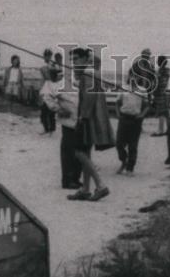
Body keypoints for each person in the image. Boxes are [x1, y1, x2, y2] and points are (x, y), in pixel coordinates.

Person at [66, 48, 112, 201]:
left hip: (88, 118)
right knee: (85, 152)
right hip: (91, 117)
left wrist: (82, 117)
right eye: (73, 59)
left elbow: (90, 97)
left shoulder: (89, 72)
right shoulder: (91, 71)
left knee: (78, 152)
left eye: (77, 58)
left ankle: (100, 185)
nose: (74, 62)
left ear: (86, 58)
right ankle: (85, 189)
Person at [115, 75, 148, 174]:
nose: (133, 78)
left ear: (139, 78)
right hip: (124, 118)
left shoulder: (142, 90)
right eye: (131, 75)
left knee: (133, 145)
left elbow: (146, 106)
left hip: (135, 120)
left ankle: (130, 168)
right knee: (119, 143)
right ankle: (124, 161)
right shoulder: (123, 88)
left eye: (136, 76)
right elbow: (117, 103)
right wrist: (118, 115)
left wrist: (142, 115)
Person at [151, 55, 170, 137]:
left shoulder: (159, 72)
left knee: (161, 113)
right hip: (168, 94)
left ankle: (161, 130)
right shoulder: (168, 71)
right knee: (167, 113)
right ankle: (169, 130)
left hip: (160, 94)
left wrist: (153, 93)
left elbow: (156, 84)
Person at [38, 67, 61, 136]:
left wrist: (54, 99)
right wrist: (41, 98)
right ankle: (46, 128)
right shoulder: (47, 82)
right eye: (50, 75)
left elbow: (58, 94)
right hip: (46, 101)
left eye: (52, 75)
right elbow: (42, 92)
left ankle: (51, 130)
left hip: (53, 102)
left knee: (51, 116)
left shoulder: (58, 84)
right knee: (43, 116)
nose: (51, 76)